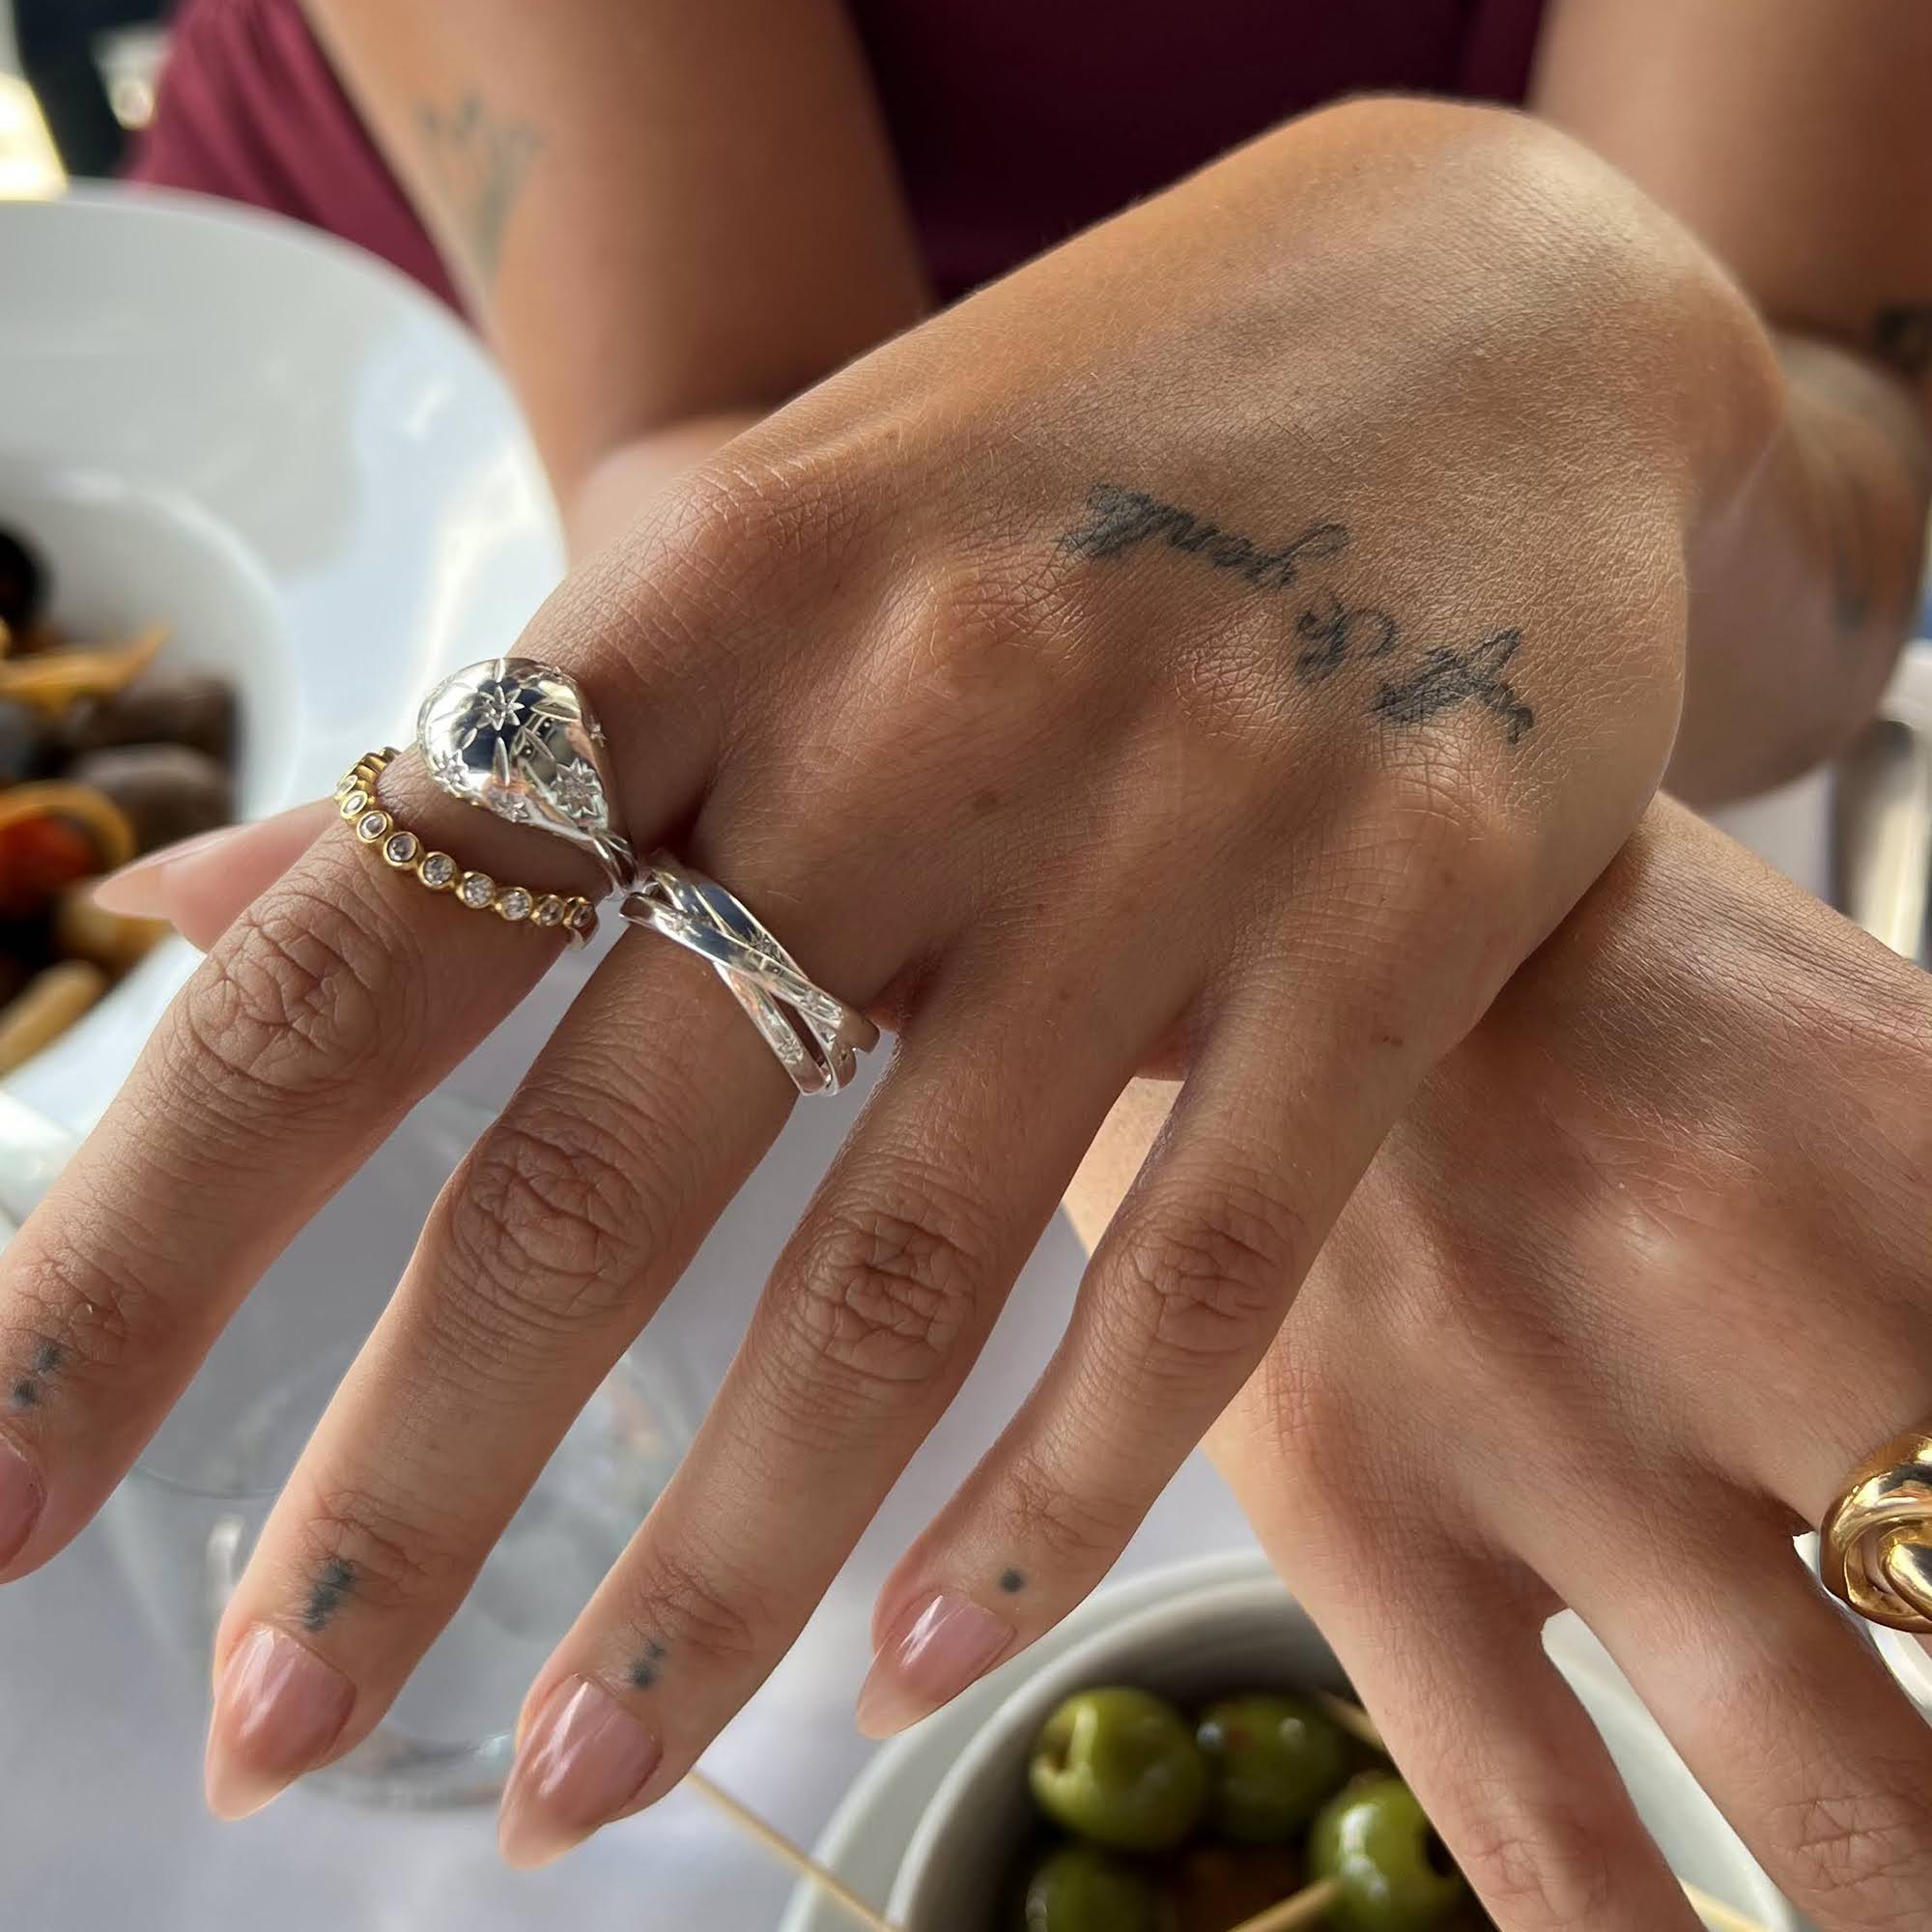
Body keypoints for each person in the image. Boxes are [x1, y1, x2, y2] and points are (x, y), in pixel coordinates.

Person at [4, 2, 1926, 1922]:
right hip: (445, 490)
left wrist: (1560, 309)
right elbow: (717, 430)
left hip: (1340, 694)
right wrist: (1311, 864)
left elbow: (1833, 495)